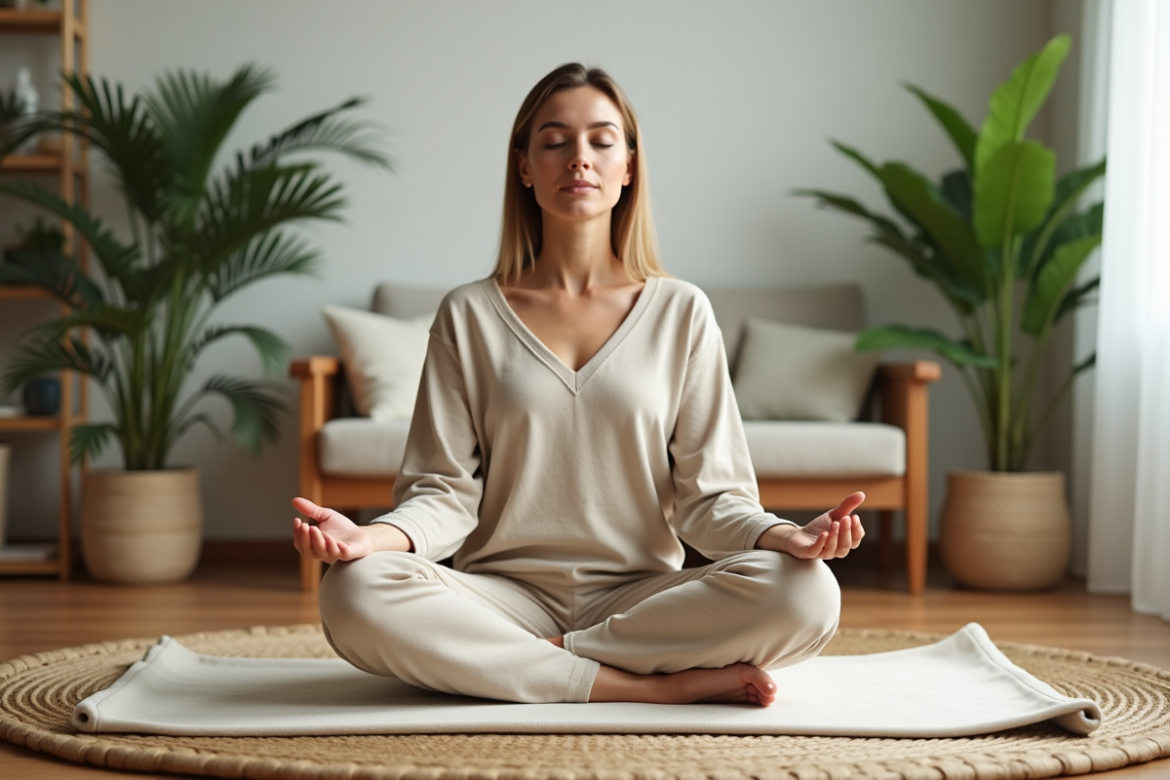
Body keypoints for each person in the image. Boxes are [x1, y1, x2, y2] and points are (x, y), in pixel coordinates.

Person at [291, 63, 865, 708]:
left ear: (629, 166)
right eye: (555, 140)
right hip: (500, 597)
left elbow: (712, 499)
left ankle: (531, 668)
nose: (579, 159)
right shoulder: (468, 314)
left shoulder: (681, 311)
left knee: (807, 592)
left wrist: (784, 538)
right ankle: (646, 687)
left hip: (644, 599)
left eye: (601, 140)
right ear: (525, 166)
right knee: (352, 590)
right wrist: (368, 540)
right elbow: (443, 493)